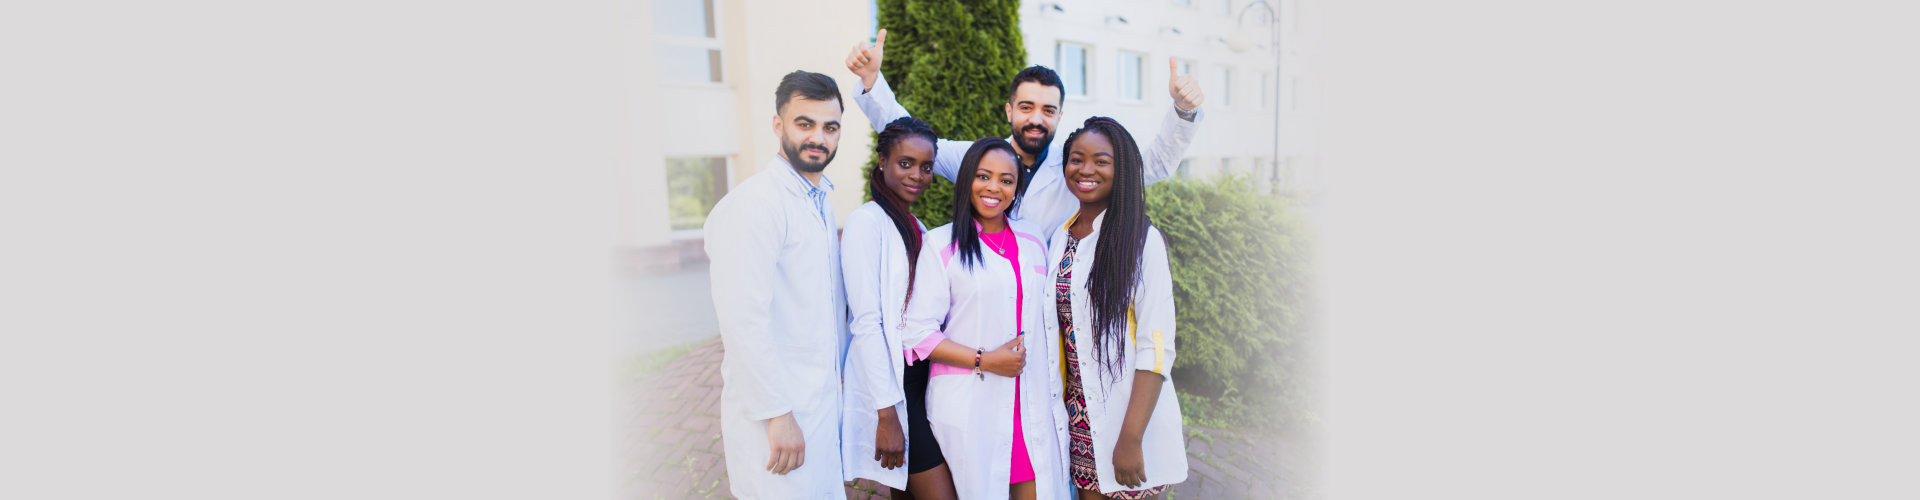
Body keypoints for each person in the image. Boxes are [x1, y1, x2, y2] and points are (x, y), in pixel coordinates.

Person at [845, 28, 1205, 243]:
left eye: (1048, 111)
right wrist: (873, 82)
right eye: (1027, 107)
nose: (1037, 119)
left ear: (1060, 116)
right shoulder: (974, 157)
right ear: (1009, 111)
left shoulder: (1077, 169)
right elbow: (911, 141)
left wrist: (1183, 111)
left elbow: (1153, 166)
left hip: (1046, 308)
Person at [702, 70, 849, 499]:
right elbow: (742, 320)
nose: (818, 137)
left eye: (830, 127)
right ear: (778, 125)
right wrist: (777, 414)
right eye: (805, 124)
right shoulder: (754, 205)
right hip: (776, 419)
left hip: (817, 409)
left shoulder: (817, 199)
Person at [899, 138, 1072, 500]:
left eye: (1006, 180)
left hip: (1031, 407)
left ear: (1016, 189)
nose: (994, 187)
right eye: (984, 176)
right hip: (972, 405)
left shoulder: (1033, 238)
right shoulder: (941, 244)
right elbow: (917, 334)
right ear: (967, 180)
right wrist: (986, 360)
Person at [1046, 118, 1187, 499]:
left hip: (1125, 418)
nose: (1086, 170)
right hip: (1078, 415)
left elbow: (1157, 347)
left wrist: (1130, 437)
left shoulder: (1141, 240)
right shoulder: (1062, 237)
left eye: (1100, 161)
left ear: (1120, 168)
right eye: (1076, 159)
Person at [839, 116, 963, 500]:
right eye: (905, 163)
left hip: (922, 379)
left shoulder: (917, 226)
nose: (918, 176)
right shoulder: (866, 223)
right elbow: (866, 323)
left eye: (927, 167)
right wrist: (887, 414)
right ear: (882, 161)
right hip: (895, 391)